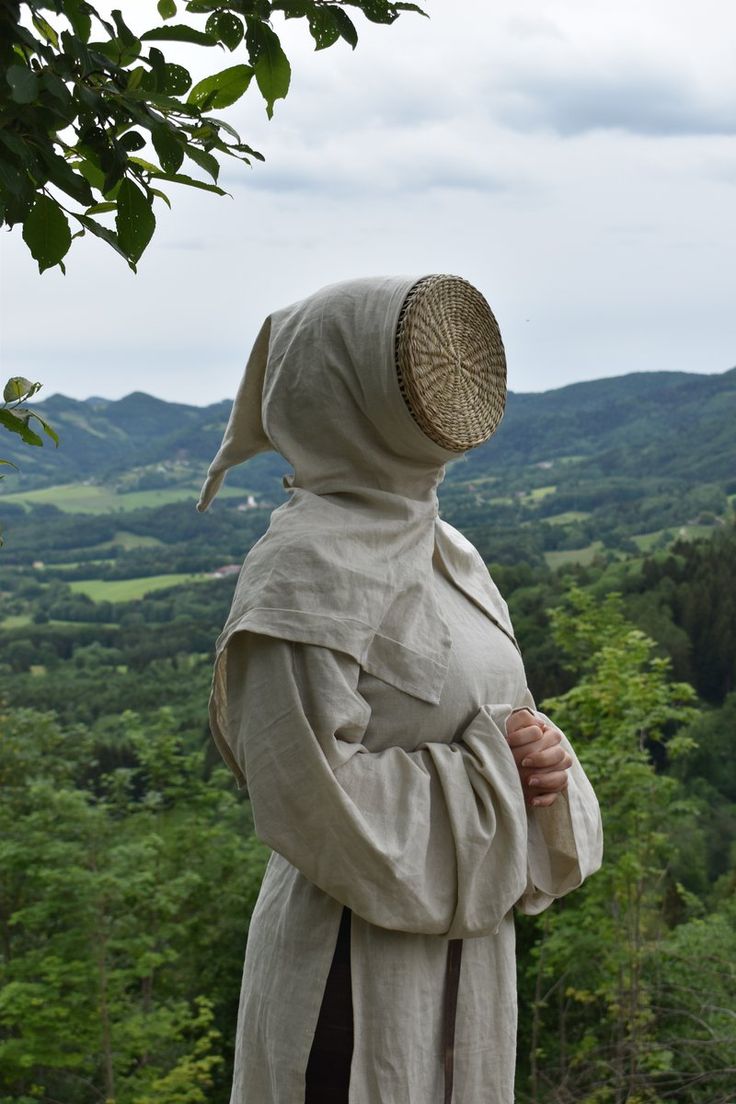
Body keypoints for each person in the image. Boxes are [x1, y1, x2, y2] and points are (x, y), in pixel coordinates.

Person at [198, 274, 603, 1104]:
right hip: (351, 976)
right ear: (343, 390)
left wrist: (542, 751)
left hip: (468, 961)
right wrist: (496, 771)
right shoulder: (300, 569)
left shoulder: (448, 551)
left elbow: (489, 716)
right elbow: (304, 791)